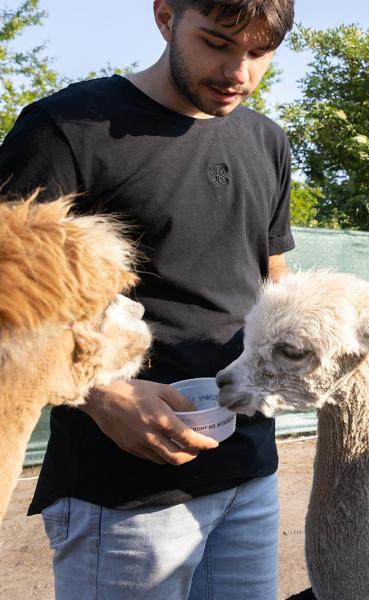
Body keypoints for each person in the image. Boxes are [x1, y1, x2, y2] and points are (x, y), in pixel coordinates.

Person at [0, 0, 295, 598]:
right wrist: (104, 396)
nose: (239, 71)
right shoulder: (64, 128)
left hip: (249, 471)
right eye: (216, 42)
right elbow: (11, 304)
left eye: (259, 53)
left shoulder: (268, 140)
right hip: (121, 486)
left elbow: (274, 283)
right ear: (165, 18)